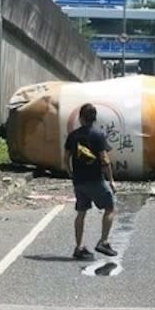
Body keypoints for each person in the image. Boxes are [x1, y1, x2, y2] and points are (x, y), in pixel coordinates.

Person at [63, 103, 119, 260]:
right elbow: (105, 160)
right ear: (94, 119)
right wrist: (111, 181)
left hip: (79, 181)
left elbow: (66, 159)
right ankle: (103, 241)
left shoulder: (73, 136)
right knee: (109, 208)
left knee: (81, 213)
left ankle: (79, 247)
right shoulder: (98, 135)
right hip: (95, 180)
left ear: (81, 118)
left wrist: (71, 174)